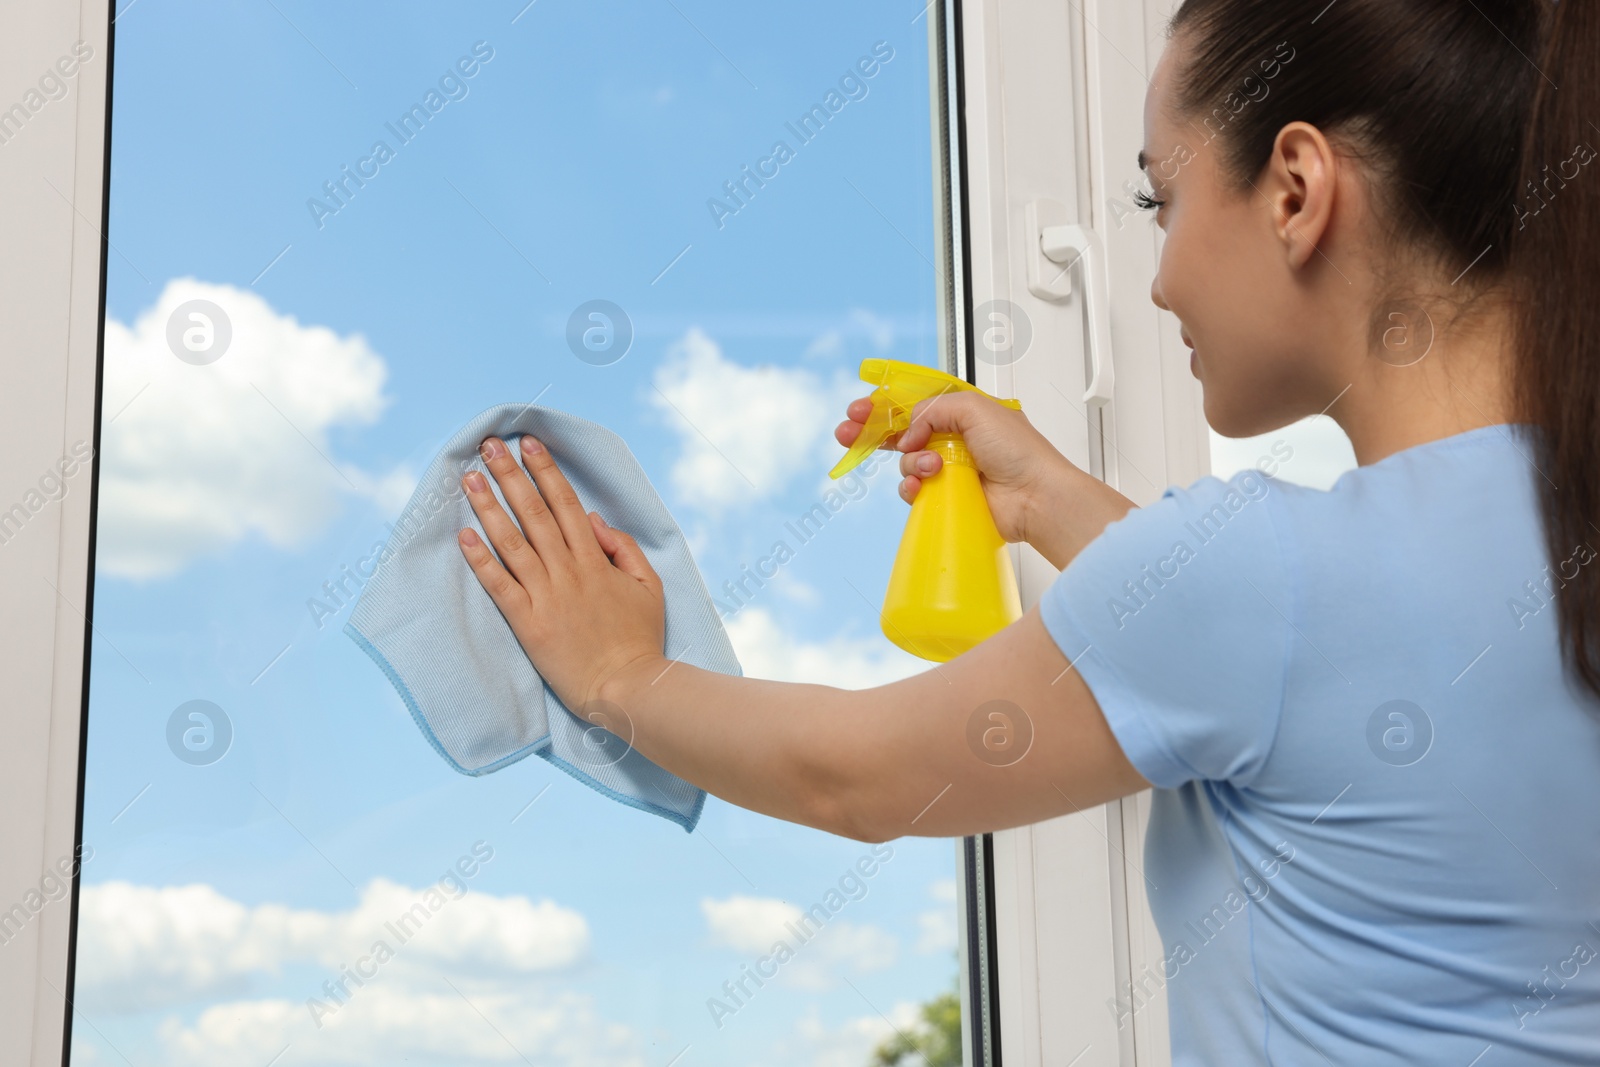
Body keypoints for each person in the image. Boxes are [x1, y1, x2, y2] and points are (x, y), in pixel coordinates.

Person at [454, 0, 1600, 1061]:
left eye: (1162, 201)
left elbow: (849, 777)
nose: (1154, 283)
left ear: (1295, 190)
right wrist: (1052, 496)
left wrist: (620, 672)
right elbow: (1297, 663)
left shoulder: (1269, 573)